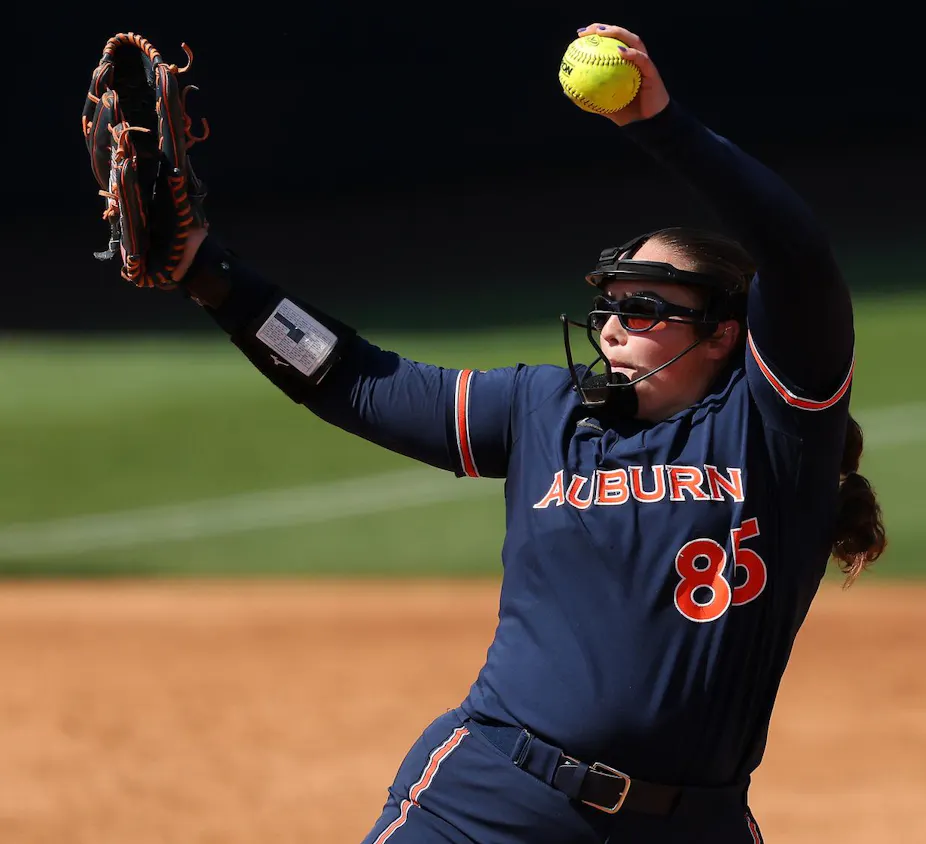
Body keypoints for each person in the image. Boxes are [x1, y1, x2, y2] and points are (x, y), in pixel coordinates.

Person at [169, 22, 886, 844]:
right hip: (491, 803)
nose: (616, 326)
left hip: (694, 825)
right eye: (612, 304)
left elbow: (797, 255)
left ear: (725, 332)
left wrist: (659, 123)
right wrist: (210, 275)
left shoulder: (775, 430)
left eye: (647, 307)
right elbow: (352, 377)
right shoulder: (546, 412)